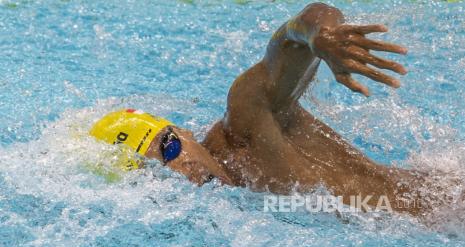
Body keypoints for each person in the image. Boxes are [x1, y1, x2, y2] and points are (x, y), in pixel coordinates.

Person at [91, 3, 433, 215]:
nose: (183, 168)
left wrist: (322, 36)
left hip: (442, 206)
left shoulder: (244, 126)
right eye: (163, 169)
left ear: (184, 133)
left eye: (170, 146)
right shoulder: (231, 206)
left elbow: (307, 19)